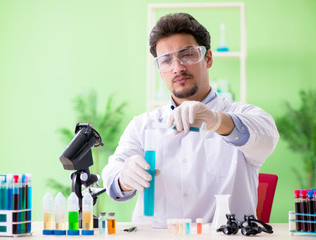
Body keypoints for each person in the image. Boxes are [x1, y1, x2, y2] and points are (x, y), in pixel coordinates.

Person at [102, 13, 279, 223]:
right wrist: (123, 178)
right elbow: (112, 176)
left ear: (208, 58)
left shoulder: (242, 114)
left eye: (187, 54)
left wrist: (217, 121)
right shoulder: (143, 125)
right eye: (166, 60)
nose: (178, 67)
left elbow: (267, 137)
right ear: (160, 70)